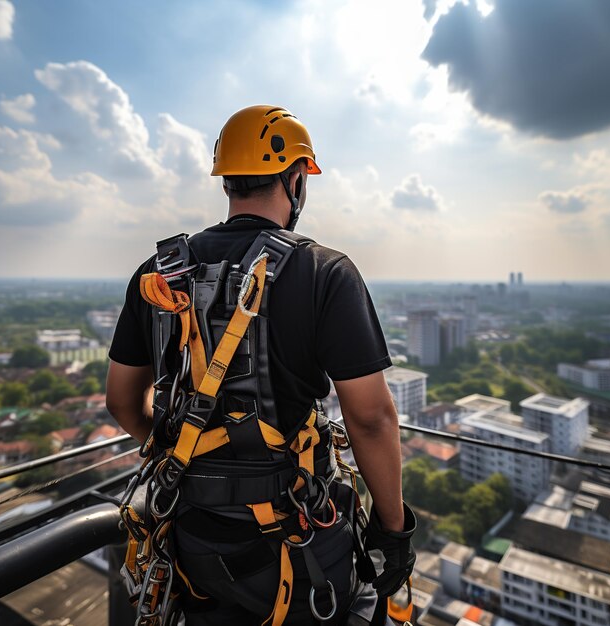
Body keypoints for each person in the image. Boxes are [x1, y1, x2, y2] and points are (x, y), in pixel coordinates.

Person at [106, 105, 415, 626]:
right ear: (295, 180)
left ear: (227, 180)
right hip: (295, 548)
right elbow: (371, 418)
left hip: (191, 538)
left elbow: (121, 400)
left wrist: (190, 461)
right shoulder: (324, 272)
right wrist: (393, 529)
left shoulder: (159, 273)